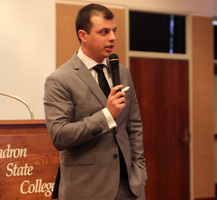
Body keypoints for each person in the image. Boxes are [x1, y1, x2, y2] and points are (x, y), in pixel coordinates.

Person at [44, 3, 147, 200]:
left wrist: (139, 170)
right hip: (86, 189)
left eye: (114, 31)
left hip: (129, 188)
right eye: (104, 32)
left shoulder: (122, 72)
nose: (112, 38)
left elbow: (134, 126)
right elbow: (60, 136)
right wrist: (107, 115)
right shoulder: (59, 79)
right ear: (83, 35)